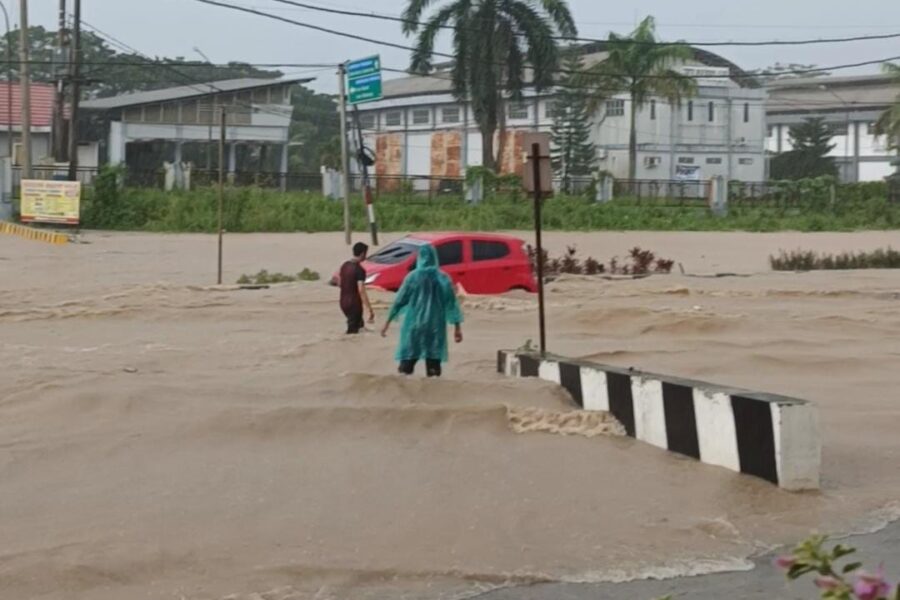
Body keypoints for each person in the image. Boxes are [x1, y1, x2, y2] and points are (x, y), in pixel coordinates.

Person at [380, 244, 463, 377]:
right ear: (435, 258)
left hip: (414, 326)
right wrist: (457, 328)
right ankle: (432, 395)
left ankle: (404, 395)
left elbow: (399, 301)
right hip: (435, 327)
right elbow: (452, 304)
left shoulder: (412, 277)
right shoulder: (443, 278)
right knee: (434, 367)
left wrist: (387, 323)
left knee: (406, 367)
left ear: (419, 258)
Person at [339, 242, 375, 334]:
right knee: (352, 333)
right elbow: (361, 290)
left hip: (343, 302)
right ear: (363, 253)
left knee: (360, 328)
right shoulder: (359, 270)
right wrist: (369, 309)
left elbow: (340, 283)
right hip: (354, 304)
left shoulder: (344, 266)